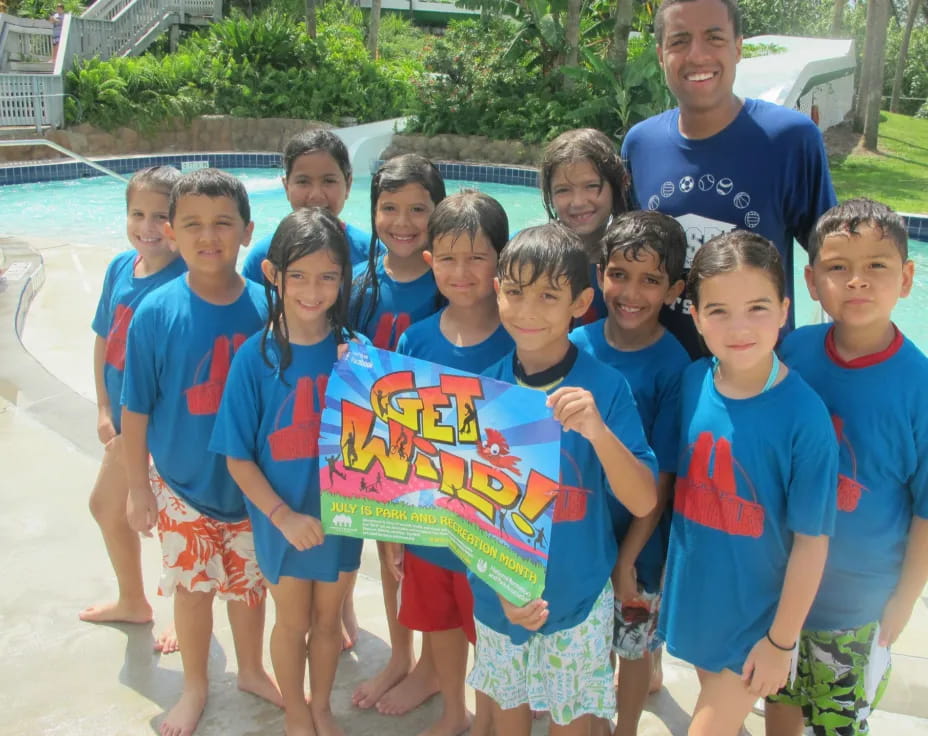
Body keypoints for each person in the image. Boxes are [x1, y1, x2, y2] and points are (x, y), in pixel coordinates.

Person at [470, 223, 659, 735]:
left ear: (580, 302)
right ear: (497, 293)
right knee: (505, 717)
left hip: (578, 600)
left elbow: (643, 499)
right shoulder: (482, 389)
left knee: (573, 723)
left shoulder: (605, 388)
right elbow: (465, 511)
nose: (527, 311)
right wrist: (501, 590)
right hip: (499, 601)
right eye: (514, 293)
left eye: (548, 296)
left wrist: (599, 433)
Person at [122, 169, 281, 736]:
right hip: (182, 483)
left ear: (247, 232)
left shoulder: (270, 309)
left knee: (248, 587)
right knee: (191, 592)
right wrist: (139, 488)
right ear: (171, 231)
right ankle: (194, 685)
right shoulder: (156, 312)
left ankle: (254, 669)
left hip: (252, 489)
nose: (208, 236)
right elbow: (134, 411)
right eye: (192, 224)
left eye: (223, 223)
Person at [661, 230, 838, 736]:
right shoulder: (694, 381)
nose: (739, 327)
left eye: (757, 307)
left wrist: (781, 642)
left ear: (785, 310)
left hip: (754, 621)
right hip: (696, 602)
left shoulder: (804, 417)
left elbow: (812, 542)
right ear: (694, 316)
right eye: (718, 311)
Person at [767, 198, 928, 736]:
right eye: (838, 267)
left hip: (857, 608)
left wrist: (903, 602)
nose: (856, 281)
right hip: (783, 589)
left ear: (906, 278)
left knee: (838, 724)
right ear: (812, 282)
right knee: (779, 705)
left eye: (876, 266)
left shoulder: (919, 387)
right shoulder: (794, 352)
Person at [211, 208, 365, 736]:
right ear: (274, 276)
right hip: (283, 522)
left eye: (327, 276)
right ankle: (295, 710)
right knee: (293, 621)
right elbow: (237, 456)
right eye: (297, 276)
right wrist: (281, 516)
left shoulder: (357, 354)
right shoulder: (255, 358)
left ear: (344, 278)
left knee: (328, 622)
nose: (312, 290)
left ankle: (322, 705)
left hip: (343, 519)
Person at [621, 0, 837, 357]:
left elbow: (835, 263)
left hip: (757, 381)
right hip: (661, 374)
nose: (697, 55)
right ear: (661, 55)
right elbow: (623, 261)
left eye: (714, 38)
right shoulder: (640, 144)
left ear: (738, 48)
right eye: (679, 41)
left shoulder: (790, 140)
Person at [387, 190, 514, 736]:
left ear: (502, 261)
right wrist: (391, 530)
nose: (461, 272)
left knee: (488, 626)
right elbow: (394, 438)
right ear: (429, 261)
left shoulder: (523, 338)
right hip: (429, 521)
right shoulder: (414, 340)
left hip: (492, 526)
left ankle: (491, 713)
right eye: (449, 258)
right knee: (437, 619)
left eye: (477, 257)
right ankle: (452, 709)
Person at [570, 210, 690, 736]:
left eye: (651, 280)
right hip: (582, 532)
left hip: (642, 542)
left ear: (674, 289)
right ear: (600, 275)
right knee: (591, 645)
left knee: (633, 644)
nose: (631, 292)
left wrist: (628, 560)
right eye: (619, 274)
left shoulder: (675, 366)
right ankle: (594, 720)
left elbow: (660, 485)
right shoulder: (575, 345)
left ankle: (626, 727)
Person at [348, 153, 447, 715]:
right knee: (391, 560)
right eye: (389, 208)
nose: (403, 222)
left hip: (436, 448)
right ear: (374, 211)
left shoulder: (448, 282)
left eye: (418, 209)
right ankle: (400, 654)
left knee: (431, 564)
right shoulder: (362, 286)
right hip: (381, 449)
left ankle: (434, 665)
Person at [80, 166, 186, 654]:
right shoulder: (122, 267)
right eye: (138, 214)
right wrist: (104, 406)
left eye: (161, 216)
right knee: (107, 506)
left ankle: (189, 620)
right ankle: (133, 599)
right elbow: (104, 338)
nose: (148, 227)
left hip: (166, 432)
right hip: (125, 425)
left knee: (176, 527)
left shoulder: (186, 280)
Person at [242, 129, 372, 285]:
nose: (316, 195)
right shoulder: (263, 256)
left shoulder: (370, 254)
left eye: (329, 181)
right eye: (303, 182)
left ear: (348, 185)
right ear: (286, 187)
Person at [540, 128, 629, 325]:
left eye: (591, 186)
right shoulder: (529, 254)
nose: (578, 202)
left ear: (617, 186)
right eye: (563, 190)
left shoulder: (630, 263)